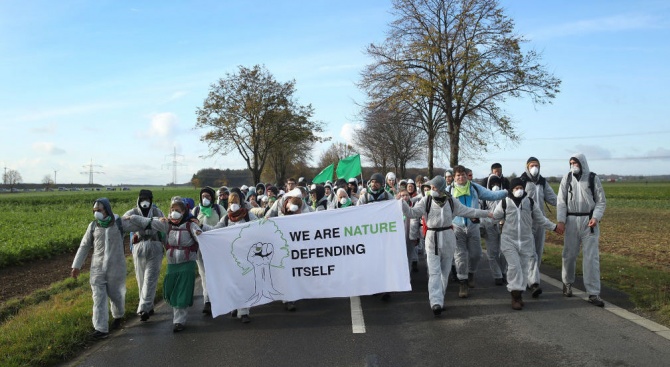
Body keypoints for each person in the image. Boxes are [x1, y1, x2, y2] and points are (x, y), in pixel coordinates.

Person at [402, 176, 492, 316]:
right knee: (434, 271)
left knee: (445, 272)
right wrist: (402, 204)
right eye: (431, 187)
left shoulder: (451, 201)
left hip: (448, 236)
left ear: (441, 188)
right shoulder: (427, 200)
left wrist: (487, 213)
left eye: (434, 187)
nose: (432, 189)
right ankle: (435, 302)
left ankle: (440, 298)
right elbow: (412, 213)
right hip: (432, 238)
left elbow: (469, 211)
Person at [125, 196, 204, 332]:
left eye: (177, 210)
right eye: (172, 209)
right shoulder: (166, 224)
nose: (174, 212)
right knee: (172, 291)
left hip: (187, 263)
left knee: (182, 292)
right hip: (172, 264)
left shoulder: (191, 225)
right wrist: (132, 218)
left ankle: (179, 321)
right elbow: (148, 222)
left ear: (184, 211)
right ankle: (178, 317)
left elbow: (199, 235)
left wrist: (199, 232)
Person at [493, 178, 560, 310]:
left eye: (521, 187)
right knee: (514, 267)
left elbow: (541, 219)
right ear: (511, 190)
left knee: (524, 269)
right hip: (509, 241)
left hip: (526, 241)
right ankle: (515, 296)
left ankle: (520, 294)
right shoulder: (505, 203)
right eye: (516, 188)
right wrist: (479, 223)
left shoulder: (530, 202)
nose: (519, 190)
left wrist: (554, 227)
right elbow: (494, 217)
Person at [71, 198, 128, 340]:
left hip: (116, 267)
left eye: (99, 210)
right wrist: (76, 266)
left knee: (116, 295)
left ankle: (118, 316)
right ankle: (101, 329)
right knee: (98, 297)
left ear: (107, 210)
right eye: (94, 211)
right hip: (97, 268)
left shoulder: (119, 223)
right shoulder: (93, 226)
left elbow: (139, 223)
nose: (96, 213)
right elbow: (84, 246)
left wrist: (155, 222)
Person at [556, 153, 606, 307]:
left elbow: (601, 201)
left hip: (588, 221)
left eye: (575, 162)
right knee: (569, 255)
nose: (573, 165)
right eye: (571, 162)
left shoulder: (592, 178)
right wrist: (561, 221)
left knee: (591, 258)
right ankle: (567, 283)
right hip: (571, 221)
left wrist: (596, 217)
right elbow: (561, 201)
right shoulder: (567, 178)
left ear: (582, 163)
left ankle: (593, 292)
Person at [450, 165, 507, 298]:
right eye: (458, 175)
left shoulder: (474, 188)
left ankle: (471, 273)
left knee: (476, 255)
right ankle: (463, 282)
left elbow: (492, 195)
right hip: (457, 227)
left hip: (473, 226)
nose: (461, 177)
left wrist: (507, 192)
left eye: (463, 175)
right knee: (460, 256)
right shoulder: (449, 191)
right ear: (454, 177)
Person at [213, 192, 258, 323]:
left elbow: (259, 226)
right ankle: (234, 305)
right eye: (231, 202)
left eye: (236, 201)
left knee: (244, 282)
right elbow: (215, 230)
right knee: (233, 283)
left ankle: (244, 312)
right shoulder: (226, 219)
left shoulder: (248, 215)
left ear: (241, 203)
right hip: (231, 256)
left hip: (246, 255)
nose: (233, 205)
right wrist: (200, 229)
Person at [123, 189, 165, 321]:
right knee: (141, 279)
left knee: (150, 279)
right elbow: (123, 223)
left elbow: (163, 226)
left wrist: (138, 221)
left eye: (147, 199)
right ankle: (149, 305)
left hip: (155, 246)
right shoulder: (132, 211)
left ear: (151, 200)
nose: (144, 202)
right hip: (139, 248)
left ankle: (143, 309)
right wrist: (149, 222)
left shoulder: (158, 212)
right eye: (142, 199)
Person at [519, 157, 558, 294]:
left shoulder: (542, 182)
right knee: (531, 253)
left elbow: (552, 198)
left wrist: (567, 205)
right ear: (527, 167)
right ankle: (534, 283)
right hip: (526, 222)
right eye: (532, 165)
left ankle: (530, 277)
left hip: (540, 221)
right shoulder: (522, 181)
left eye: (536, 165)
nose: (534, 168)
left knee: (539, 251)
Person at [358, 172, 395, 301]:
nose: (374, 184)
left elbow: (394, 211)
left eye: (377, 182)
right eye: (372, 182)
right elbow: (357, 213)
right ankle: (374, 286)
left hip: (384, 235)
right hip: (370, 235)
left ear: (381, 184)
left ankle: (386, 288)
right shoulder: (365, 197)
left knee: (384, 262)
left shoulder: (387, 196)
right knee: (372, 262)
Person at [192, 187, 225, 316]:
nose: (205, 199)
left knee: (216, 273)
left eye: (208, 196)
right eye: (203, 196)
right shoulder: (195, 210)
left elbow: (224, 225)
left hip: (216, 248)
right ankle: (207, 301)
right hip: (200, 248)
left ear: (212, 197)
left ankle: (219, 298)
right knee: (204, 274)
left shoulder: (218, 209)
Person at [480, 176, 506, 286]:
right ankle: (497, 275)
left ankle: (504, 272)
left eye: (497, 183)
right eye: (492, 184)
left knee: (505, 251)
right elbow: (479, 211)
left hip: (504, 225)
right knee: (492, 252)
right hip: (489, 225)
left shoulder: (505, 196)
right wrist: (481, 226)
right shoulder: (484, 197)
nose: (495, 186)